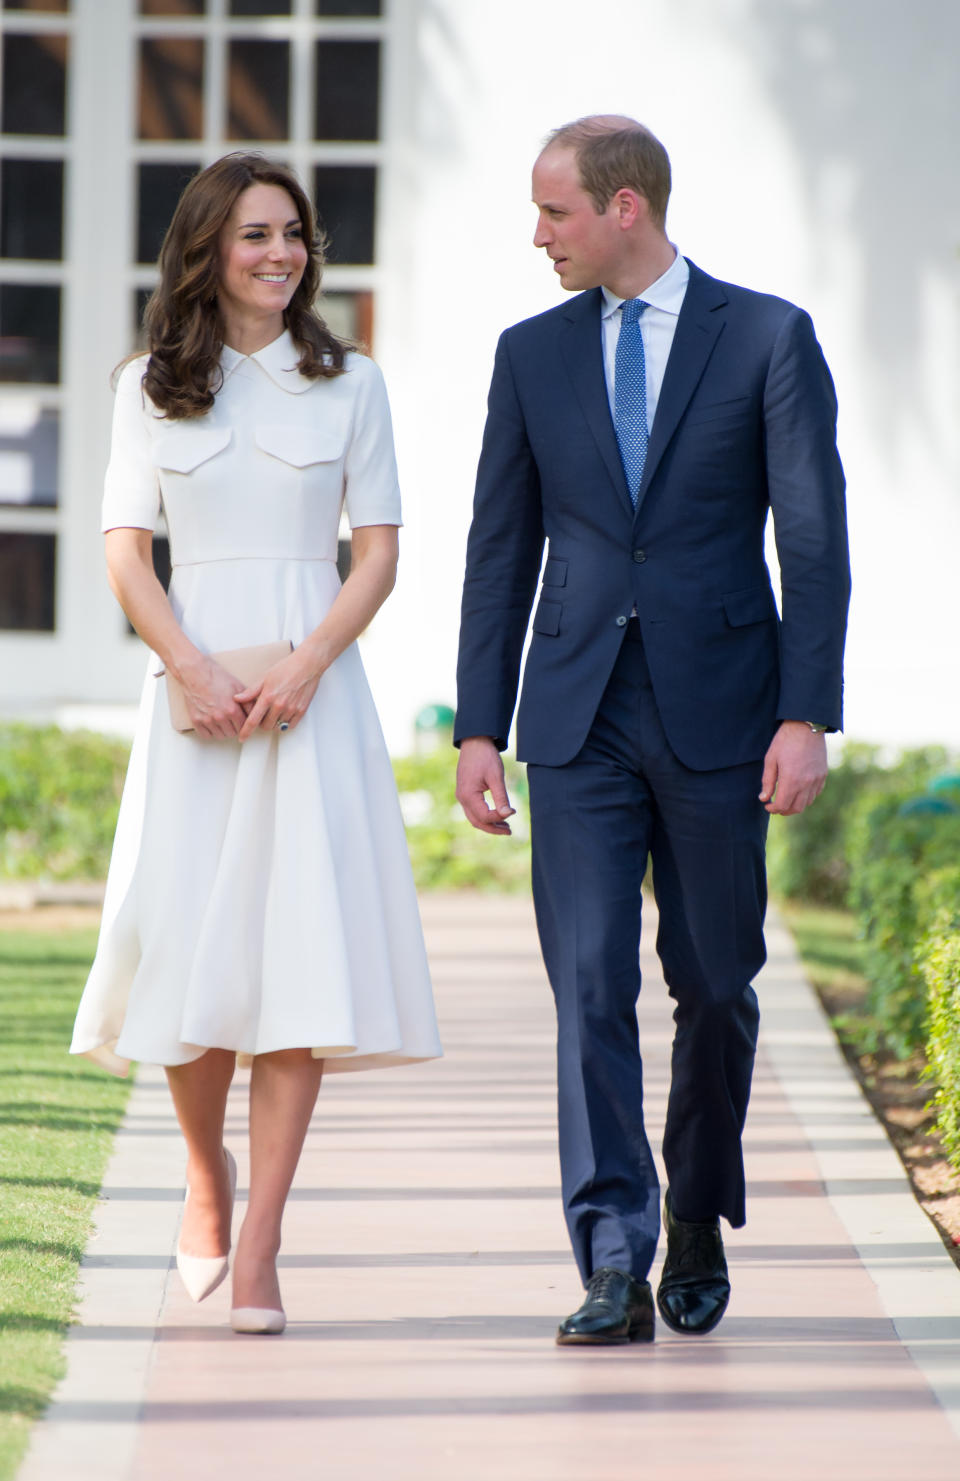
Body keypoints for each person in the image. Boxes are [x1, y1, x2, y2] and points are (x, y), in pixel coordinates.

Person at [455, 116, 850, 1345]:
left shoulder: (769, 338)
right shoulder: (530, 355)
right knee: (586, 983)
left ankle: (694, 1218)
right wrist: (479, 724)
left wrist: (806, 712)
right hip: (575, 710)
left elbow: (815, 538)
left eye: (554, 212)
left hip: (724, 709)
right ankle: (615, 1252)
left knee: (719, 985)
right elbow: (499, 547)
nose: (538, 236)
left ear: (625, 208)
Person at [71, 153, 442, 1336]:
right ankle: (202, 1175)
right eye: (252, 236)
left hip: (309, 702)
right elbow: (128, 548)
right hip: (190, 703)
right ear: (206, 251)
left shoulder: (352, 384)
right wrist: (188, 666)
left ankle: (268, 1236)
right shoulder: (145, 387)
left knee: (298, 968)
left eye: (291, 233)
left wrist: (305, 664)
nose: (279, 253)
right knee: (187, 954)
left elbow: (376, 551)